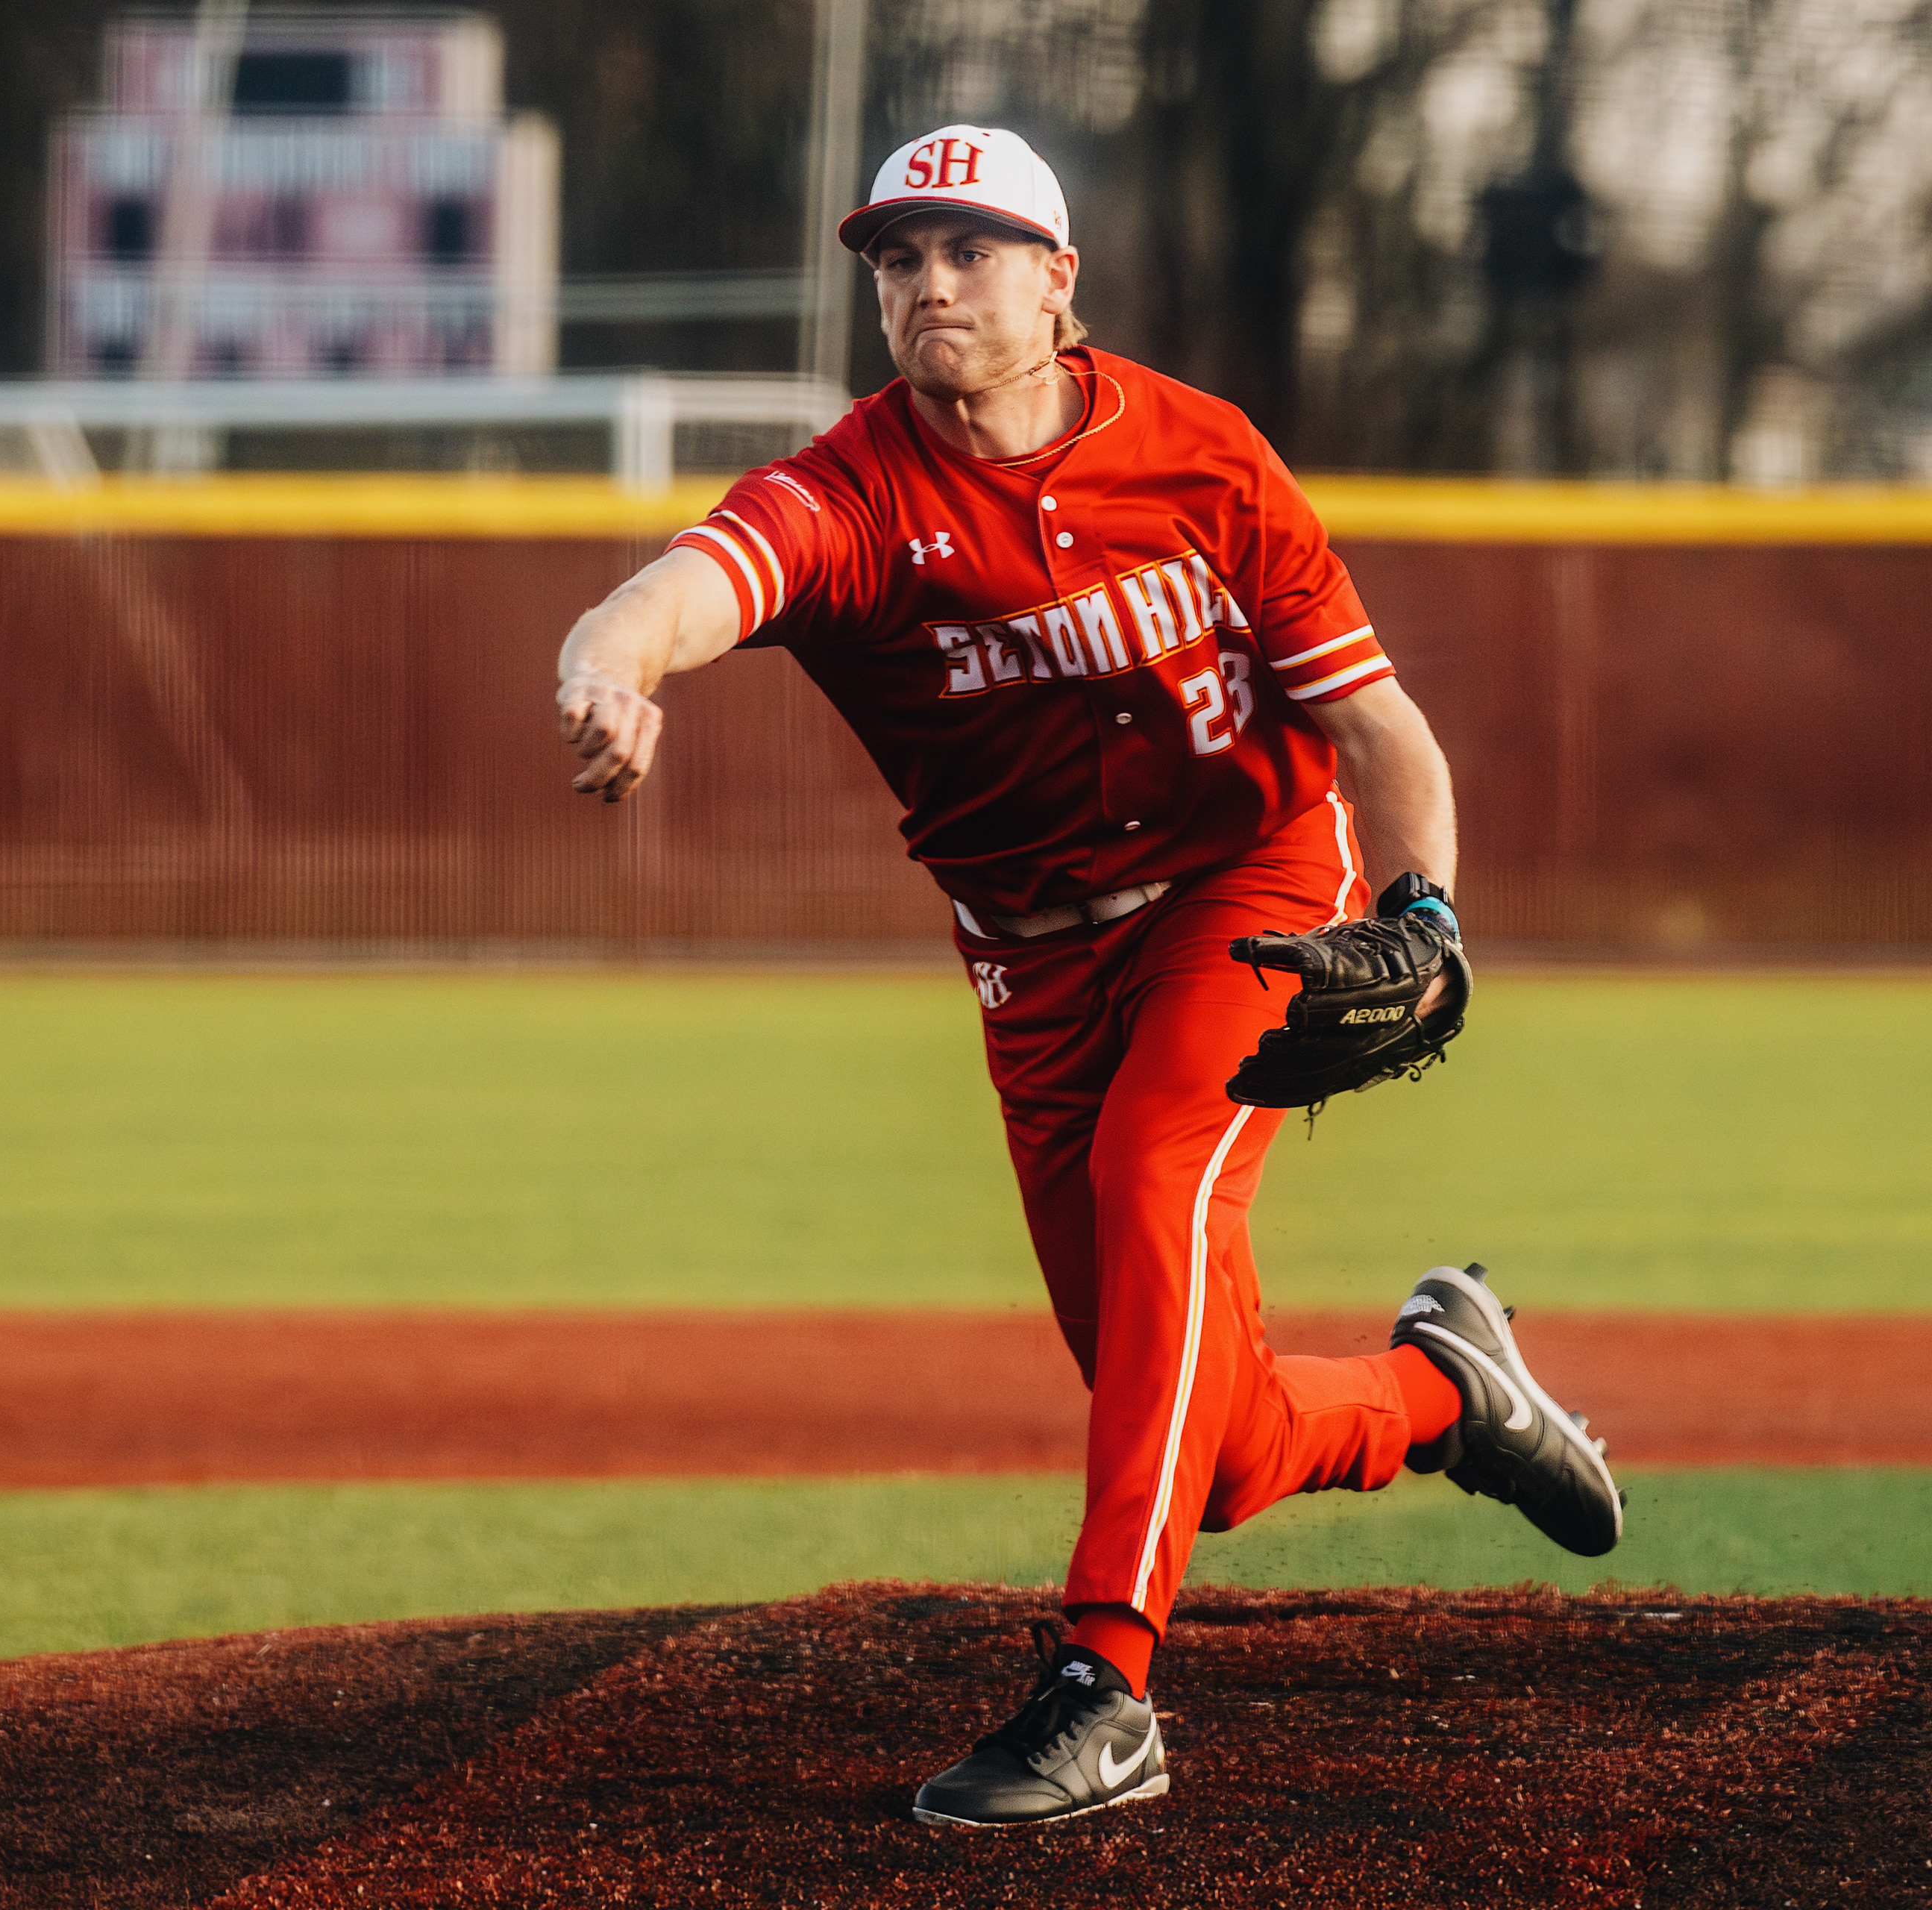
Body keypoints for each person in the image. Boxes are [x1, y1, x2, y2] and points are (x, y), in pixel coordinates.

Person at [550, 124, 1624, 1828]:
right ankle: (1445, 1388)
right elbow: (677, 593)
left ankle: (1103, 1687)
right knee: (1209, 1443)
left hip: (1247, 894)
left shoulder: (1203, 455)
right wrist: (609, 669)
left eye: (969, 249)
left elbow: (1376, 725)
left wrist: (1424, 914)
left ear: (1060, 282)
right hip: (1033, 968)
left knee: (1156, 1179)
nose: (928, 283)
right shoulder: (849, 497)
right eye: (899, 257)